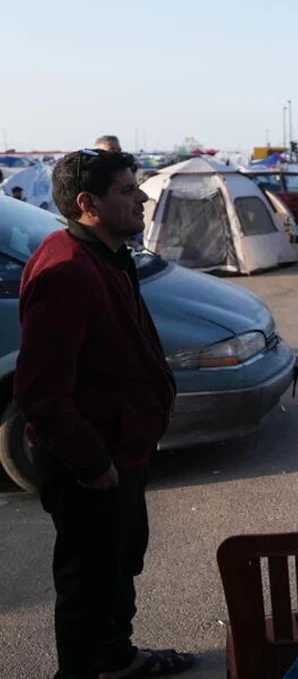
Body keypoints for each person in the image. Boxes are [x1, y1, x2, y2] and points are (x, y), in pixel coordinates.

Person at [14, 149, 195, 678]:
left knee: (116, 569)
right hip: (93, 464)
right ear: (88, 204)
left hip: (122, 448)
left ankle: (117, 658)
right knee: (89, 583)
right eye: (126, 191)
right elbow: (41, 392)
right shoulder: (67, 269)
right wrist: (94, 465)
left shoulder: (106, 256)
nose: (141, 197)